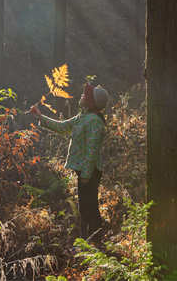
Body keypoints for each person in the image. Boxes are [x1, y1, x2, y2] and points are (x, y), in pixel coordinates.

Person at [30, 82, 109, 242]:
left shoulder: (94, 121)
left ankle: (96, 242)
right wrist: (41, 117)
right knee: (84, 207)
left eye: (85, 95)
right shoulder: (82, 116)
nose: (81, 95)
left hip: (90, 171)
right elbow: (63, 126)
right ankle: (85, 241)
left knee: (90, 207)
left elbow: (92, 150)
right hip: (83, 170)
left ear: (91, 101)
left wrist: (86, 174)